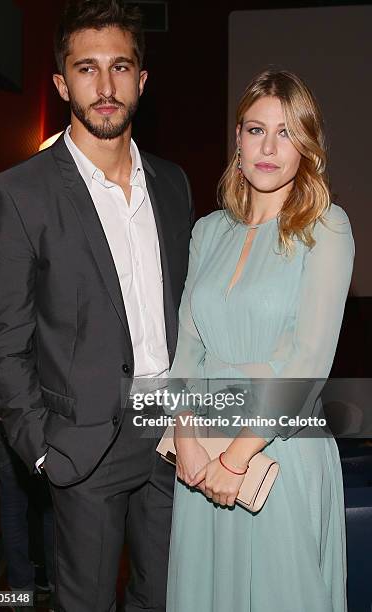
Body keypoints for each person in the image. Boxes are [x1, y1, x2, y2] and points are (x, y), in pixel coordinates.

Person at [0, 1, 193, 610]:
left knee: (167, 599)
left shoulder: (173, 183)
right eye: (87, 68)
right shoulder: (18, 195)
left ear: (141, 81)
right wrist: (41, 447)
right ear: (60, 81)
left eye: (120, 67)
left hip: (174, 436)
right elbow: (4, 341)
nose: (104, 86)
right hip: (84, 444)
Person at [167, 69, 354, 612]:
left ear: (307, 147)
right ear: (238, 139)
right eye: (255, 130)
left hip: (276, 455)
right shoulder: (207, 231)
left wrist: (237, 458)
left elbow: (308, 362)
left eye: (286, 132)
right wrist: (186, 440)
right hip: (199, 456)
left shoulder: (327, 227)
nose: (269, 147)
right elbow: (187, 349)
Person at [0, 247, 54, 612]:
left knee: (13, 501)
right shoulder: (39, 262)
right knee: (47, 501)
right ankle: (50, 584)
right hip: (37, 400)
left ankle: (20, 592)